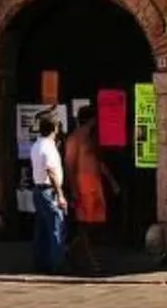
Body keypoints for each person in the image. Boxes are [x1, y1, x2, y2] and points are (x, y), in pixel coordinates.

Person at [64, 105, 121, 273]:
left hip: (94, 186)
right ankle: (89, 259)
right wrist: (73, 189)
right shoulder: (75, 139)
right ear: (91, 120)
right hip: (83, 186)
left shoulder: (92, 138)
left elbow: (99, 162)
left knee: (96, 222)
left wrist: (112, 181)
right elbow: (69, 165)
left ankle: (73, 250)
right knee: (85, 225)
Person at [26, 114, 67, 274]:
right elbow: (50, 171)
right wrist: (61, 195)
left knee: (42, 229)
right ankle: (56, 264)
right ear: (54, 129)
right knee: (56, 227)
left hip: (38, 190)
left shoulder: (37, 145)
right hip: (48, 191)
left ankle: (41, 262)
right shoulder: (48, 148)